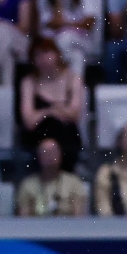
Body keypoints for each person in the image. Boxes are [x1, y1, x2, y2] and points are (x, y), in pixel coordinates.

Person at [19, 38, 86, 172]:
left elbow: (74, 115)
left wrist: (43, 113)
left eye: (46, 53)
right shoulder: (29, 82)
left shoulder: (73, 79)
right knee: (50, 125)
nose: (43, 58)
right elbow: (28, 121)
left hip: (66, 136)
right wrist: (54, 111)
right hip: (38, 136)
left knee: (58, 128)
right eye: (37, 55)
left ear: (57, 54)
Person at [36, 0, 102, 76]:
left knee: (66, 36)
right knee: (77, 57)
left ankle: (57, 81)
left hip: (81, 41)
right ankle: (73, 91)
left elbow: (88, 23)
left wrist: (65, 24)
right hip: (53, 44)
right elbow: (53, 23)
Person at [16, 137, 88, 217]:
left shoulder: (74, 182)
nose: (49, 156)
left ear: (60, 155)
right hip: (36, 228)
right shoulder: (28, 185)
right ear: (38, 157)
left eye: (53, 152)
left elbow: (79, 217)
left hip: (67, 227)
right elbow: (23, 220)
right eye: (45, 153)